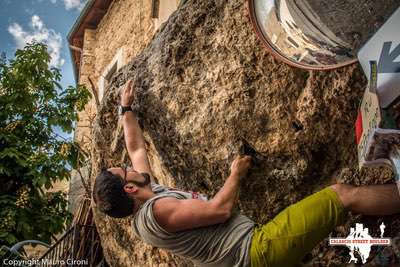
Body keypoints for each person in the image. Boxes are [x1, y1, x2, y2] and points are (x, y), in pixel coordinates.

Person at [93, 80, 400, 267]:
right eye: (125, 171)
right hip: (254, 253)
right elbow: (220, 209)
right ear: (129, 189)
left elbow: (136, 149)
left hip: (248, 257)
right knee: (341, 195)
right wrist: (235, 173)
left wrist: (125, 109)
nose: (131, 167)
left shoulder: (147, 195)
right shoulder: (158, 211)